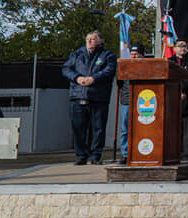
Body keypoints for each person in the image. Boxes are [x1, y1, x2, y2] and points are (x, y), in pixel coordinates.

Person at [62, 31, 117, 165]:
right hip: (78, 96)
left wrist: (93, 79)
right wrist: (77, 78)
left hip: (98, 97)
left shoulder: (107, 55)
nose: (90, 41)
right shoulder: (76, 54)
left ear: (100, 41)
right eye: (88, 39)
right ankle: (81, 155)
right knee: (78, 128)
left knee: (98, 128)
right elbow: (66, 69)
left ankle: (95, 155)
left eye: (93, 39)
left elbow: (109, 70)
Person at [170, 40, 188, 160]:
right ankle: (173, 153)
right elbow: (169, 77)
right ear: (174, 48)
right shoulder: (169, 61)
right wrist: (177, 91)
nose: (183, 48)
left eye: (185, 46)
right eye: (180, 46)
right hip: (173, 100)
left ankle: (187, 154)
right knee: (174, 129)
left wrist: (183, 90)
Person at [116, 44, 144, 163]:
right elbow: (120, 83)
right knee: (125, 128)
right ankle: (125, 154)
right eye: (132, 54)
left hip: (142, 102)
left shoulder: (147, 67)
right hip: (126, 100)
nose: (134, 57)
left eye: (136, 54)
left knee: (141, 128)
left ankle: (141, 151)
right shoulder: (124, 67)